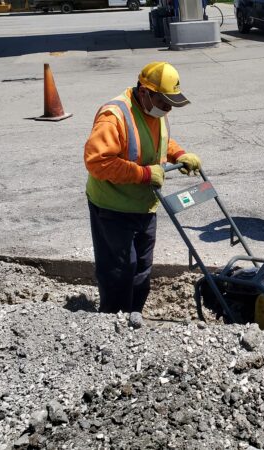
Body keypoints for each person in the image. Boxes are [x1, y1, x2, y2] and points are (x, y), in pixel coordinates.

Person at [84, 61, 202, 328]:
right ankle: (113, 322)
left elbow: (159, 141)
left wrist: (179, 154)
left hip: (144, 206)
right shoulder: (114, 115)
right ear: (145, 92)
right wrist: (145, 174)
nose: (168, 108)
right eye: (165, 101)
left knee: (142, 268)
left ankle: (134, 316)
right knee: (119, 270)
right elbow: (97, 161)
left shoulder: (154, 110)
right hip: (112, 207)